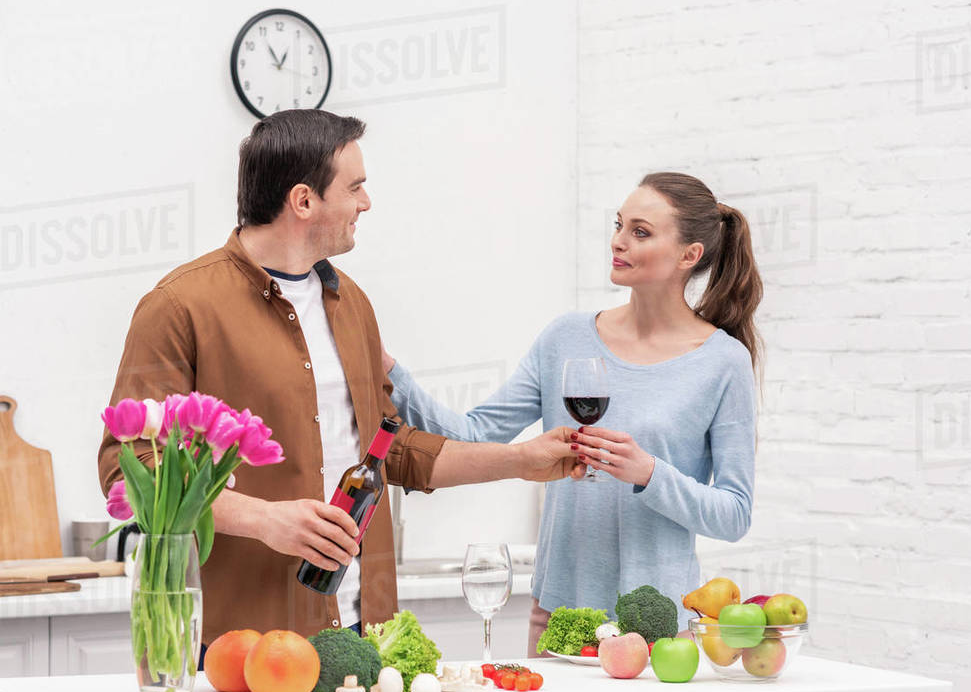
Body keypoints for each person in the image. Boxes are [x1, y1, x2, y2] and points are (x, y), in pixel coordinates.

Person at [98, 109, 585, 650]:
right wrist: (265, 520)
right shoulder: (178, 306)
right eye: (355, 188)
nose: (366, 203)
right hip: (241, 641)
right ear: (304, 201)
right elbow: (128, 469)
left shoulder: (351, 303)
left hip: (364, 629)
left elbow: (391, 450)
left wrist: (522, 460)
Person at [384, 172, 763, 655]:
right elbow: (474, 432)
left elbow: (734, 514)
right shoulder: (566, 338)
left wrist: (649, 473)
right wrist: (392, 375)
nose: (618, 241)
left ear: (689, 255)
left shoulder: (722, 361)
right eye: (619, 225)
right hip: (559, 612)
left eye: (640, 232)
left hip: (660, 623)